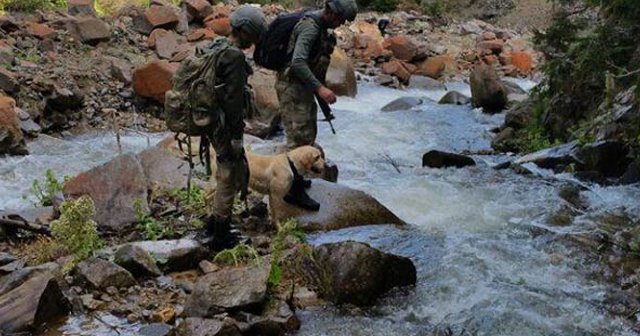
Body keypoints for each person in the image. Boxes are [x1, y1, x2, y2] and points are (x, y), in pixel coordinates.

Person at [205, 5, 267, 250]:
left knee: (222, 170)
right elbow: (232, 102)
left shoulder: (214, 46)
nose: (253, 42)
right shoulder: (234, 56)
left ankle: (213, 223)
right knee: (229, 174)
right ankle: (220, 234)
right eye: (253, 36)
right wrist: (237, 138)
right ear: (243, 31)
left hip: (209, 119)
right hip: (223, 123)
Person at [275, 0, 358, 151]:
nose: (341, 24)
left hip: (302, 89)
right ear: (332, 13)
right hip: (292, 89)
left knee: (307, 137)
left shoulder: (321, 28)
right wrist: (320, 89)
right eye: (341, 19)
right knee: (299, 143)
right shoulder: (310, 28)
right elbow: (298, 62)